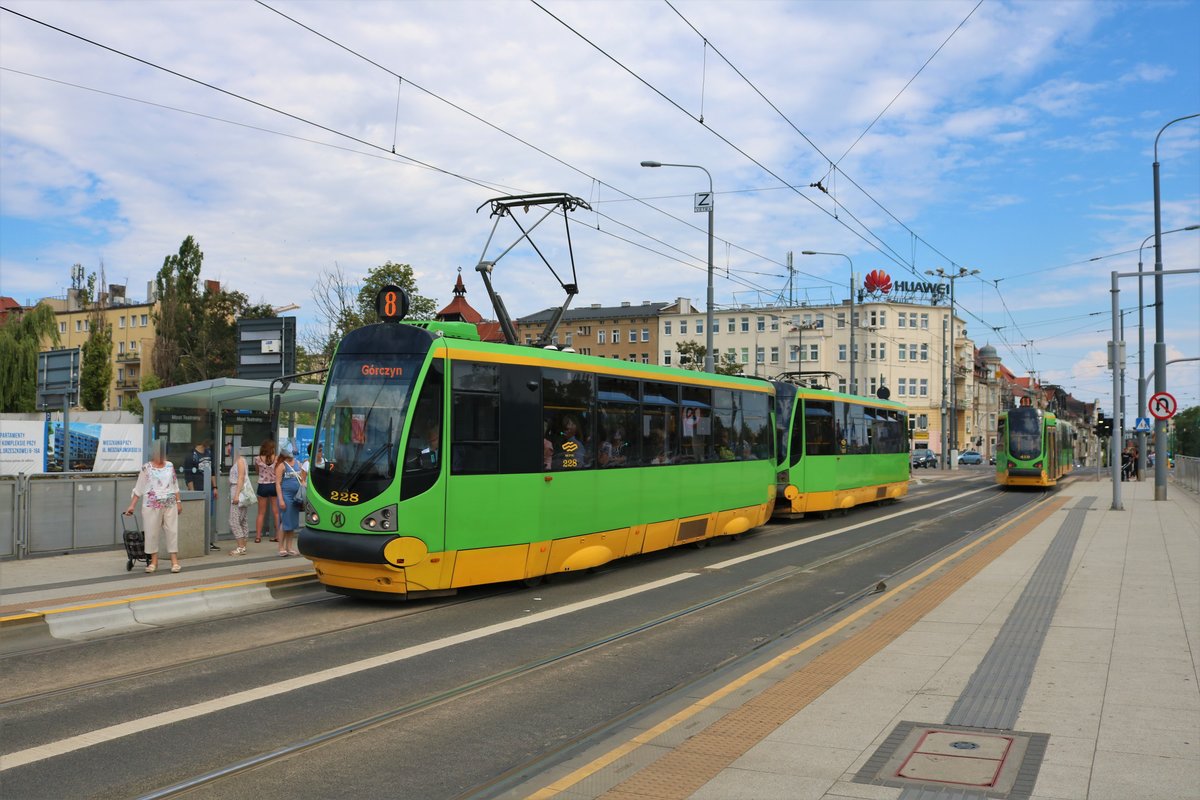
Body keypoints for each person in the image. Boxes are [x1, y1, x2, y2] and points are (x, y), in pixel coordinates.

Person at [124, 440, 183, 574]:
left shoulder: (170, 466)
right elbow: (139, 488)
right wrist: (132, 505)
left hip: (170, 503)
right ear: (154, 453)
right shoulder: (146, 468)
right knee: (151, 532)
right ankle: (153, 562)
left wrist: (178, 502)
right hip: (151, 505)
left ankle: (174, 562)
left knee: (172, 531)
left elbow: (175, 485)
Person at [184, 439, 219, 549]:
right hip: (198, 489)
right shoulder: (191, 456)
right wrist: (193, 492)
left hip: (209, 489)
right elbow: (188, 476)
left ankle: (208, 541)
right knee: (198, 516)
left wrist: (215, 487)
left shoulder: (208, 453)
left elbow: (212, 471)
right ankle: (197, 541)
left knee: (208, 515)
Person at [274, 441, 304, 557]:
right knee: (285, 521)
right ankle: (281, 547)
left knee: (292, 523)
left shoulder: (297, 463)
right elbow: (277, 484)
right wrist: (281, 499)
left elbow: (302, 478)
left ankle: (289, 546)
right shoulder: (281, 465)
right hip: (286, 496)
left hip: (296, 497)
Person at [254, 439, 281, 544]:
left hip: (262, 485)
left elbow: (257, 471)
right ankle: (278, 535)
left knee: (261, 513)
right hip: (274, 485)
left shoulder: (258, 459)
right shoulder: (277, 459)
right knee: (276, 512)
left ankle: (258, 536)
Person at [227, 450, 250, 555]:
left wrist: (236, 495)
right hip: (240, 491)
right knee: (242, 519)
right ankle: (243, 545)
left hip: (238, 491)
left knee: (234, 520)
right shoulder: (241, 460)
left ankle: (240, 546)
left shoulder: (240, 461)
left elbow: (241, 477)